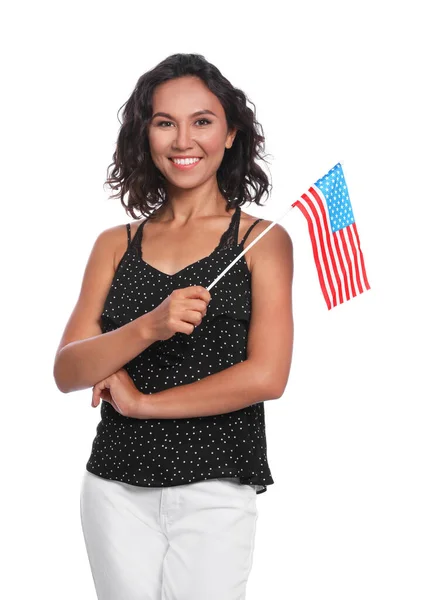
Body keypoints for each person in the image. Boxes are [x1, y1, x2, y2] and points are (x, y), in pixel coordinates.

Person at [53, 53, 293, 600]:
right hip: (114, 485)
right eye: (165, 122)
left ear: (230, 134)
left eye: (202, 121)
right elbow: (68, 368)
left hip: (217, 483)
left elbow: (267, 377)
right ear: (146, 135)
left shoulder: (260, 241)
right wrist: (150, 326)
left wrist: (144, 404)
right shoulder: (117, 244)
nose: (184, 140)